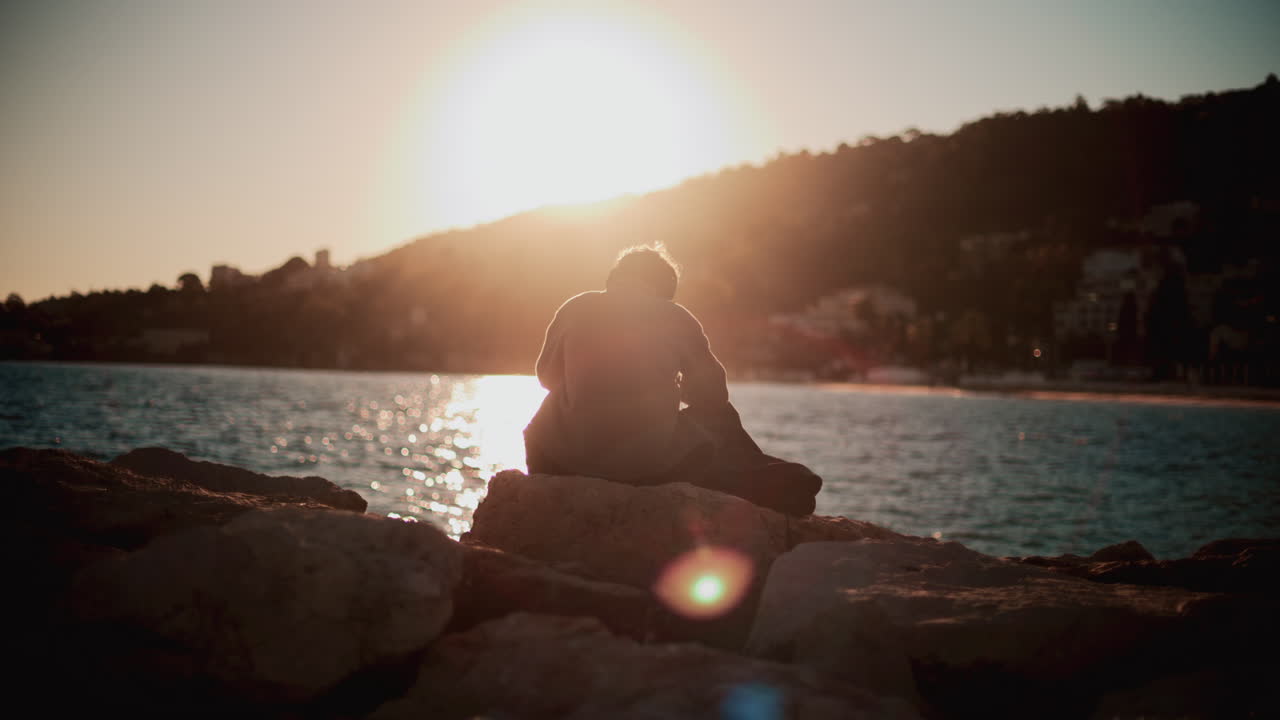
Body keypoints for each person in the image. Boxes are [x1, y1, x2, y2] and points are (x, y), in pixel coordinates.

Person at [523, 245, 822, 515]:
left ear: (616, 277)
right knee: (722, 419)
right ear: (664, 288)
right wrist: (670, 385)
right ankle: (771, 478)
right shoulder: (676, 316)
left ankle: (768, 477)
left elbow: (547, 377)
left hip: (556, 459)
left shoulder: (576, 306)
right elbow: (713, 397)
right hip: (644, 467)